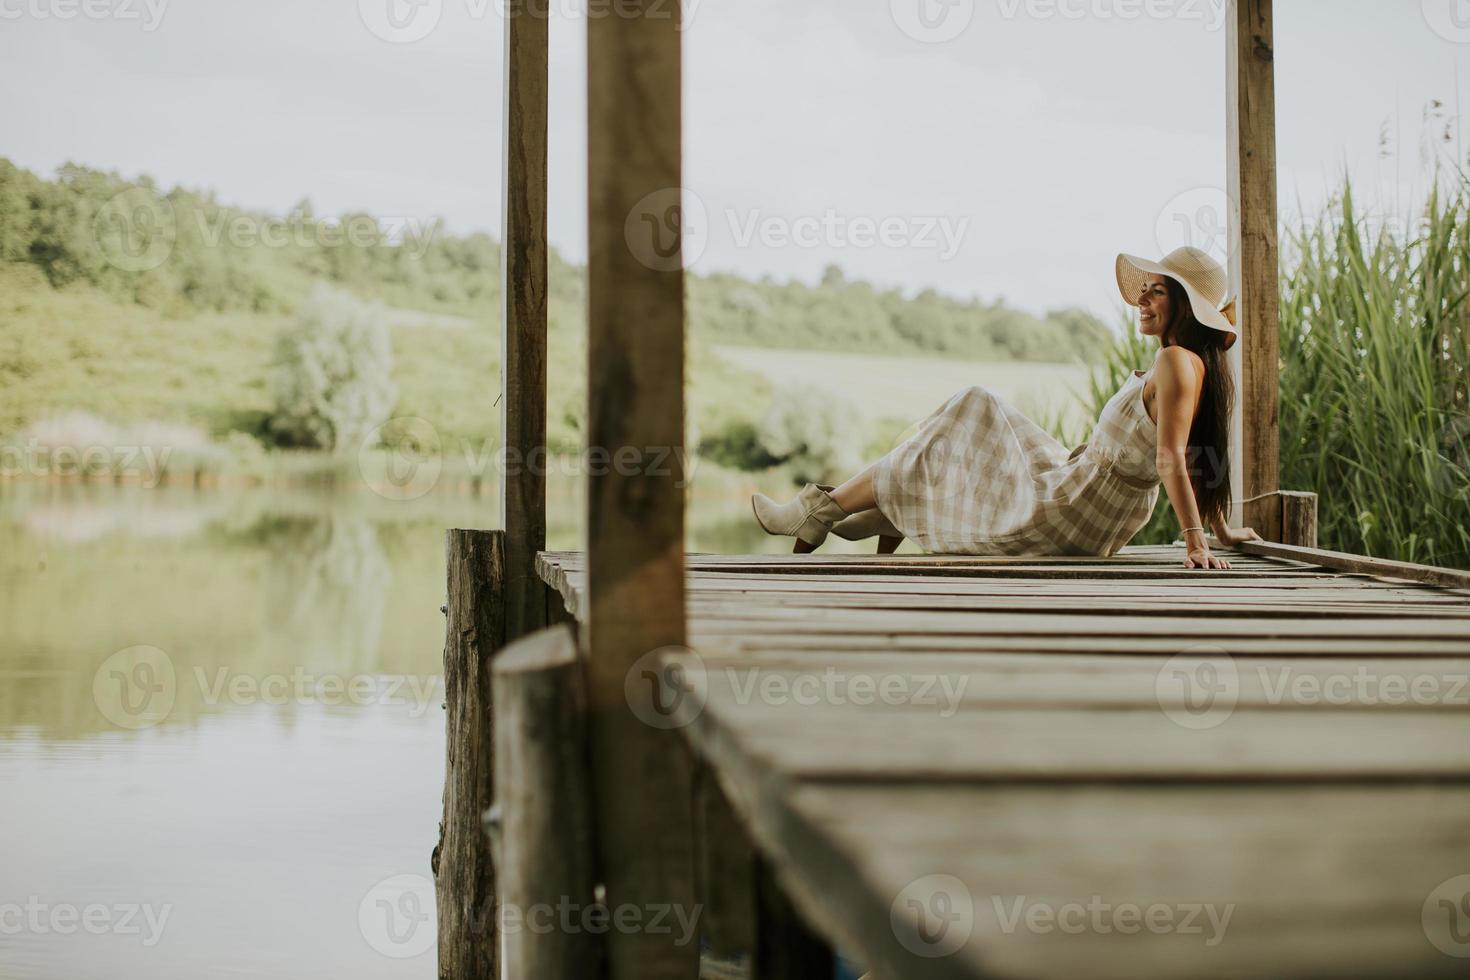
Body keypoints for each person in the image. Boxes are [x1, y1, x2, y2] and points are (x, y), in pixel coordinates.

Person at [751, 246, 1264, 569]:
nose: (1142, 303)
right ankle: (879, 508)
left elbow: (1173, 456)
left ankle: (827, 510)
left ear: (1184, 305)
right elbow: (1197, 453)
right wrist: (1221, 529)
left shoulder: (1176, 361)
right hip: (1087, 490)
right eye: (1143, 292)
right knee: (975, 411)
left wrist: (1198, 543)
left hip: (1081, 504)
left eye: (1156, 293)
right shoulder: (1187, 364)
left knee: (971, 408)